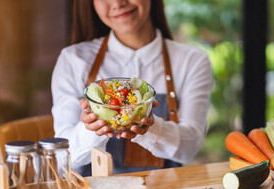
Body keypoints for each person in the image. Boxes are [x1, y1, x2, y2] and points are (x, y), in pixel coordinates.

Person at [51, 0, 213, 176]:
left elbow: (190, 147)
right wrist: (95, 125)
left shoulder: (192, 61)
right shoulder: (73, 60)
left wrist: (152, 127)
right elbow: (63, 156)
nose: (117, 3)